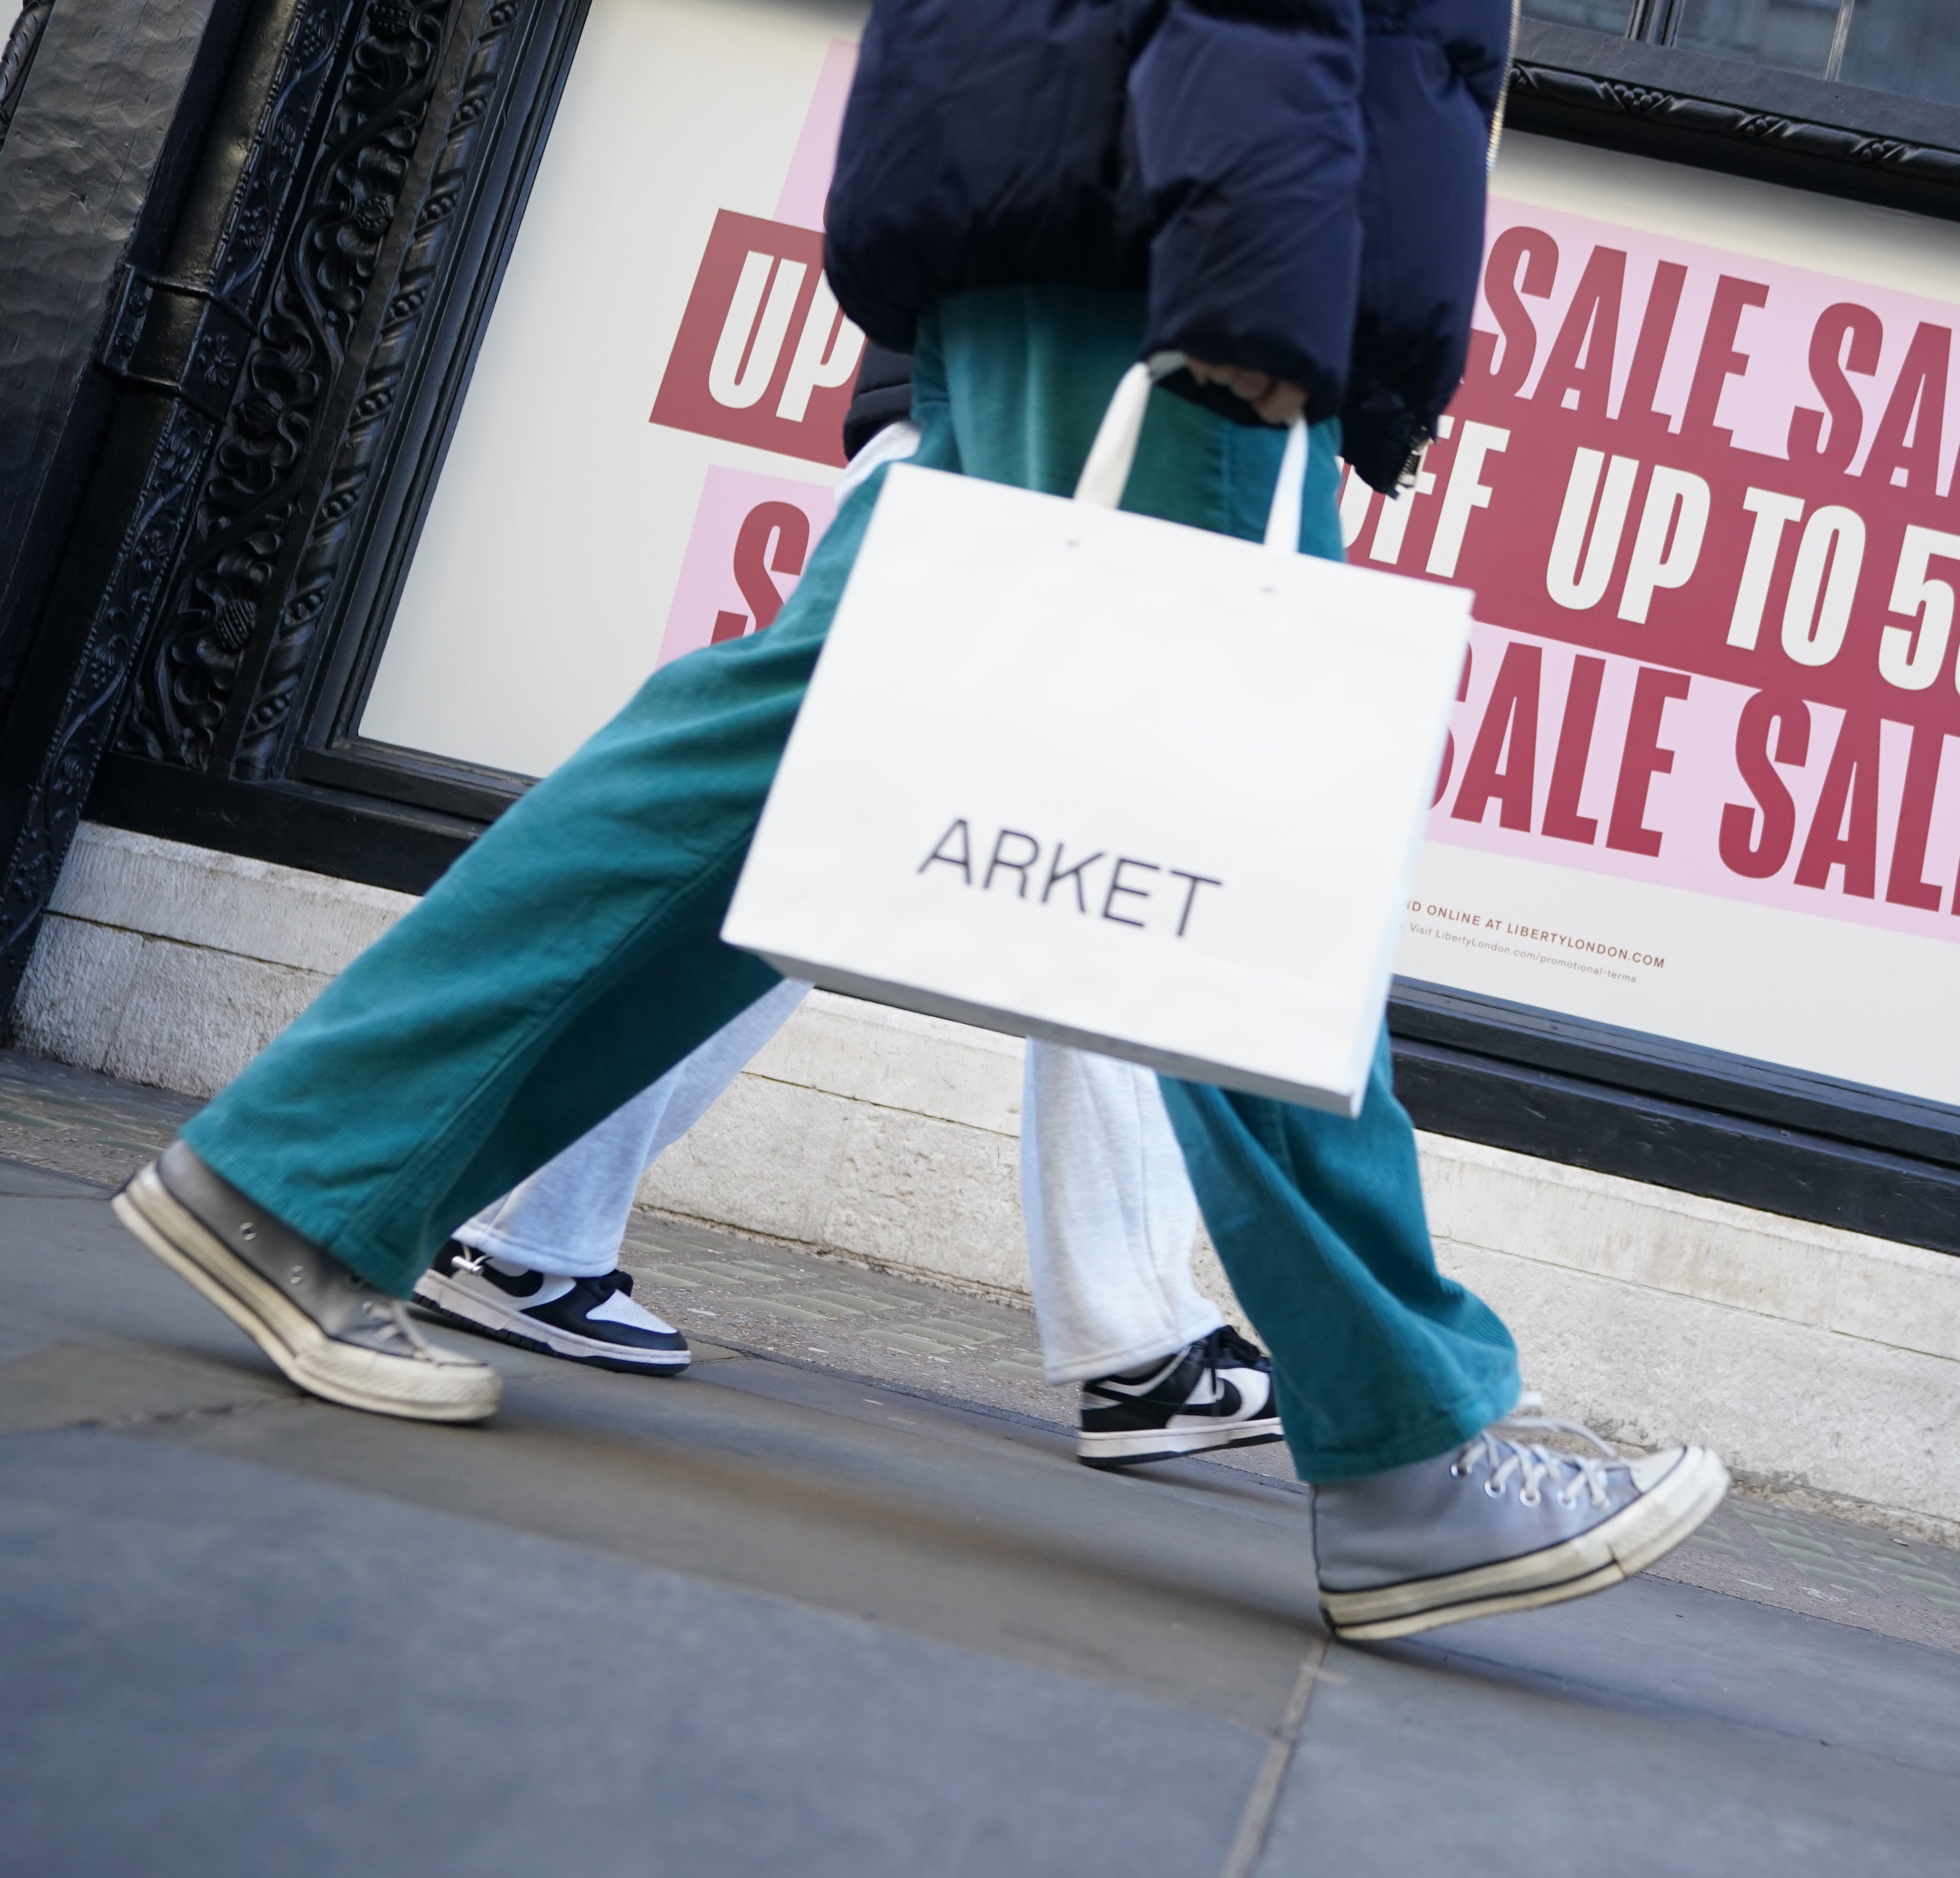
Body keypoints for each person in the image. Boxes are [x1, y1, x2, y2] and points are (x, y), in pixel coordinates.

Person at [111, 0, 1726, 1641]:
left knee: (789, 754)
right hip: (1168, 232)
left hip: (1093, 193)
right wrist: (1256, 266)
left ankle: (302, 1180)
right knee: (1243, 833)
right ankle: (1410, 1448)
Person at [415, 347, 1283, 1470]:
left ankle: (523, 1228)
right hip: (1043, 454)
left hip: (1016, 446)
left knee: (824, 870)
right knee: (1109, 881)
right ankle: (1144, 1346)